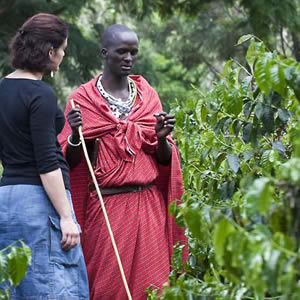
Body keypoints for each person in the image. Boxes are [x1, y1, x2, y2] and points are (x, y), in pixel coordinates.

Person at [58, 24, 187, 299]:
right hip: (106, 208)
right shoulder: (83, 100)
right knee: (105, 287)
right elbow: (73, 162)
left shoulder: (147, 96)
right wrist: (75, 135)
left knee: (155, 285)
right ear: (105, 53)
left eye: (133, 53)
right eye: (122, 52)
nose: (128, 58)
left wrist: (162, 138)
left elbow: (162, 160)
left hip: (148, 205)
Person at [0, 13, 89, 299]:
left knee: (14, 285)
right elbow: (47, 160)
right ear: (50, 52)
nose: (63, 55)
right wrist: (65, 216)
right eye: (62, 49)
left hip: (7, 198)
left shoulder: (2, 89)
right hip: (38, 200)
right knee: (51, 285)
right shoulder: (40, 94)